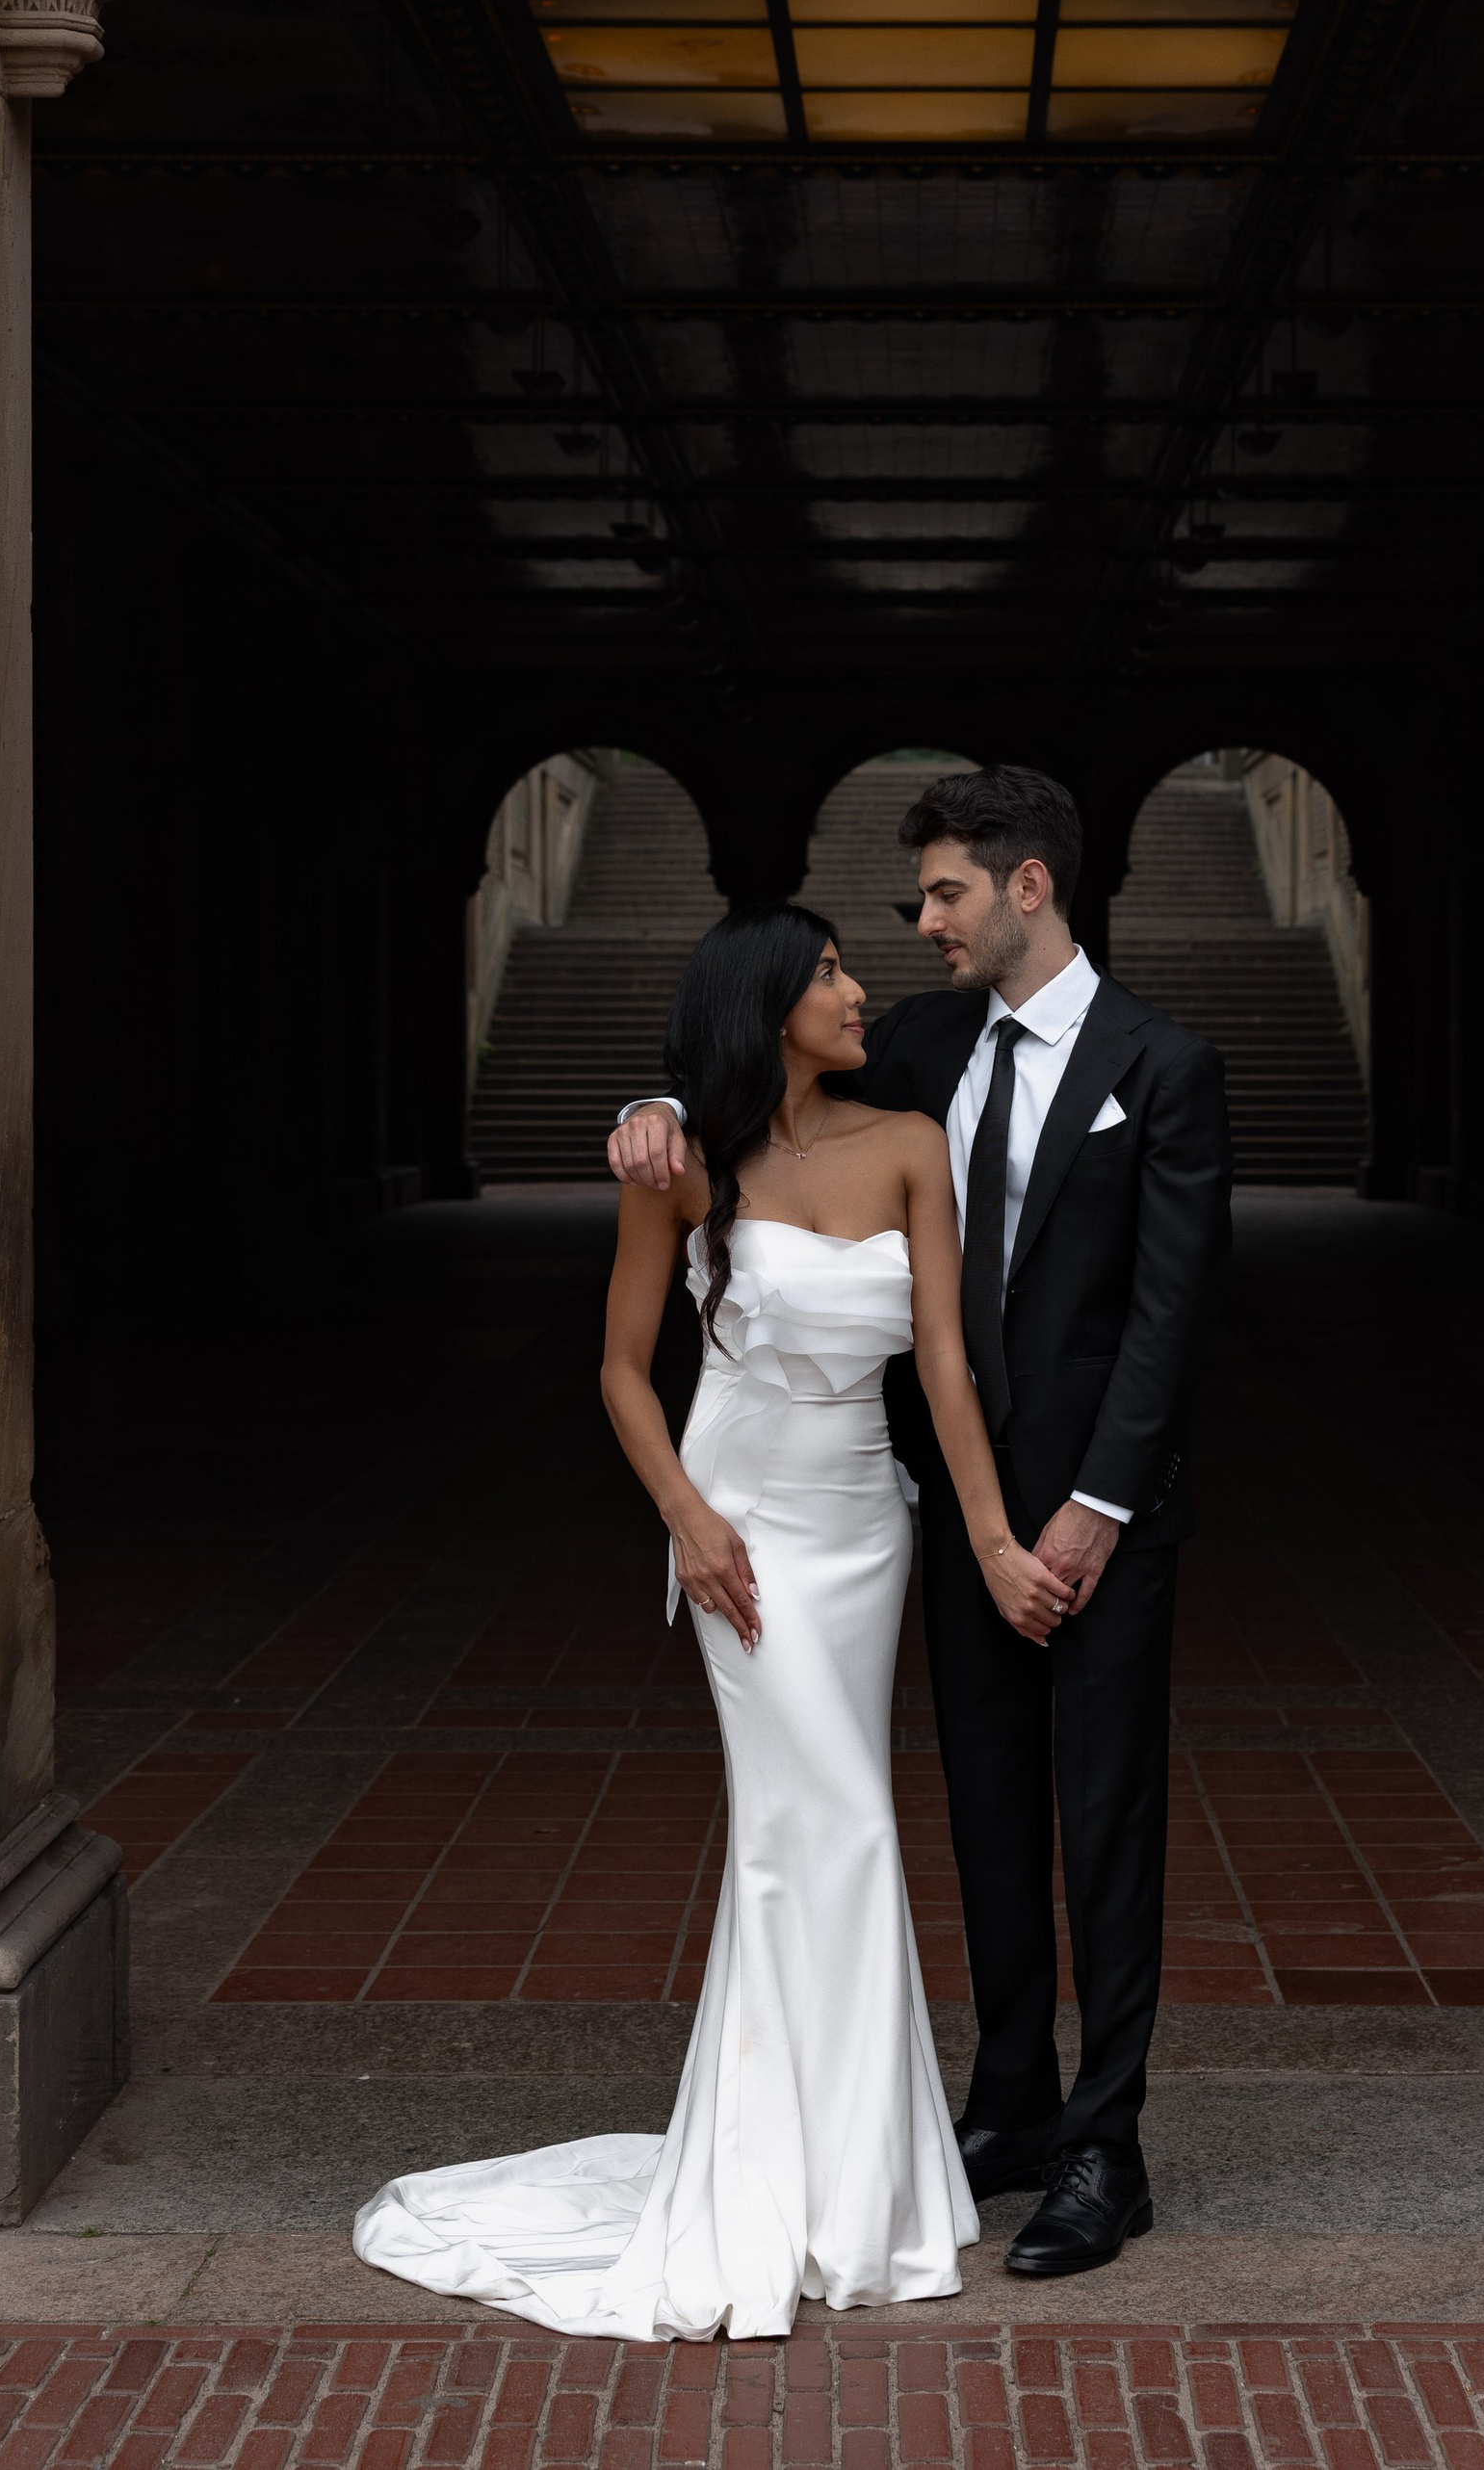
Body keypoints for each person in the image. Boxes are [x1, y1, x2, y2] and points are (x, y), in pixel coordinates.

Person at [352, 905, 1072, 2341]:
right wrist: (684, 1515)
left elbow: (941, 1365)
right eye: (826, 974)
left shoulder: (910, 1143)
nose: (860, 988)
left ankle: (843, 2179)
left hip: (864, 1521)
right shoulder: (679, 1164)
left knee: (838, 1824)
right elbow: (621, 1369)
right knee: (820, 1832)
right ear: (764, 1004)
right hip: (737, 1518)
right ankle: (816, 2191)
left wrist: (990, 1536)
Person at [608, 767, 1230, 2280]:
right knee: (988, 1812)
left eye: (944, 893)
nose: (919, 928)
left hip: (1097, 1520)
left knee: (1107, 1819)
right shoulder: (933, 1043)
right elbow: (761, 1084)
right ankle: (1008, 2101)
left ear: (1027, 888)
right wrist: (653, 1106)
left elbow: (1169, 1318)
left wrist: (1090, 1512)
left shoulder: (1166, 1065)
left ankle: (1106, 2143)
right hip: (944, 1520)